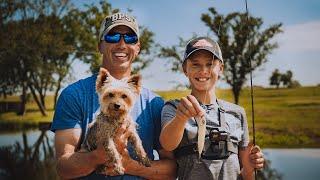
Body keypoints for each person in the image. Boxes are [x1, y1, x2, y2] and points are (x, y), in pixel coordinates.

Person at [51, 12, 176, 180]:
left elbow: (172, 170)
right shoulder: (73, 95)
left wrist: (131, 166)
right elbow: (63, 168)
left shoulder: (154, 103)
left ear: (137, 47)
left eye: (130, 38)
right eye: (113, 36)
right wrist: (97, 156)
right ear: (100, 46)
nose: (122, 44)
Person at [160, 37, 264, 180]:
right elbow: (167, 144)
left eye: (210, 64)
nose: (203, 71)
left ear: (220, 68)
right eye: (195, 64)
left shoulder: (238, 113)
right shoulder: (174, 108)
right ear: (185, 69)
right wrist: (181, 118)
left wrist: (252, 166)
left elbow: (247, 175)